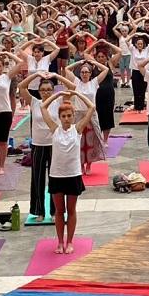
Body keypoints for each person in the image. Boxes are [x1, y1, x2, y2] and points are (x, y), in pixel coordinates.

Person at [41, 90, 94, 254]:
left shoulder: (77, 129)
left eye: (69, 116)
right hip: (57, 175)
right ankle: (59, 242)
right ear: (59, 117)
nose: (66, 119)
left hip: (73, 174)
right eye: (63, 116)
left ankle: (69, 241)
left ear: (73, 116)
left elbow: (91, 107)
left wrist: (77, 95)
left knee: (71, 210)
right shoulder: (54, 129)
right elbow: (43, 107)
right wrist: (57, 95)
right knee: (59, 211)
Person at [19, 72, 76, 222]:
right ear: (39, 91)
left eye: (49, 89)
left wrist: (56, 76)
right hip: (38, 145)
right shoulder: (34, 102)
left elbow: (72, 87)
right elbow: (21, 86)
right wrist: (36, 74)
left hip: (54, 145)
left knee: (54, 179)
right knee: (37, 178)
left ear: (53, 90)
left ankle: (54, 211)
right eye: (43, 90)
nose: (46, 92)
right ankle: (39, 211)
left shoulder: (58, 103)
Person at [65, 59, 109, 174]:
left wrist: (94, 63)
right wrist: (79, 63)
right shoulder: (76, 82)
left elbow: (106, 69)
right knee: (79, 140)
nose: (84, 74)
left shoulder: (94, 83)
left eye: (86, 72)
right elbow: (66, 69)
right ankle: (80, 165)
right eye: (82, 72)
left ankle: (89, 165)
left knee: (92, 141)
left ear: (90, 74)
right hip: (79, 114)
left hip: (91, 114)